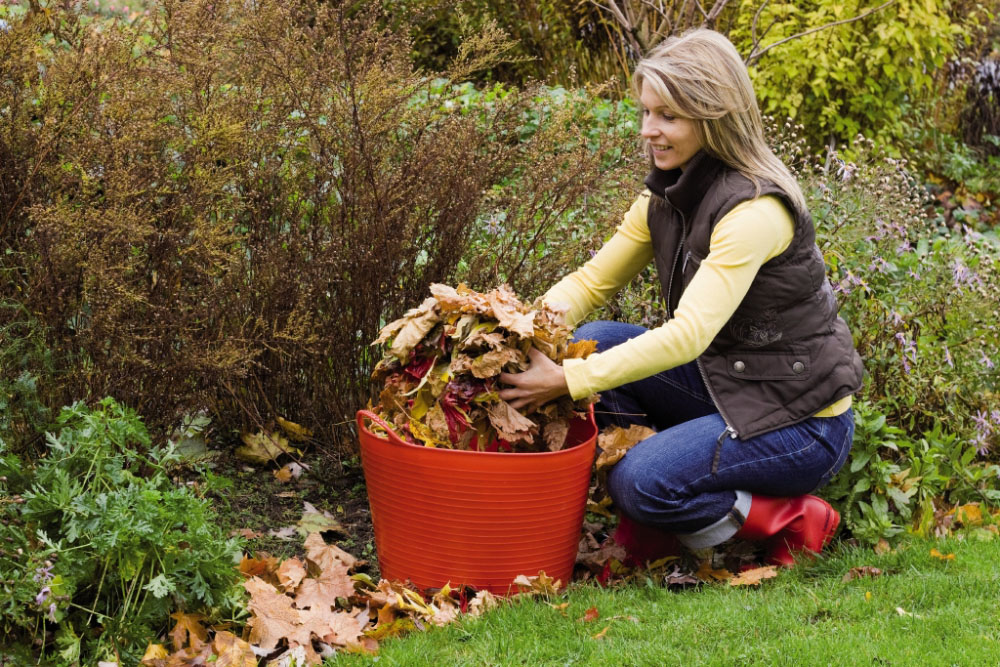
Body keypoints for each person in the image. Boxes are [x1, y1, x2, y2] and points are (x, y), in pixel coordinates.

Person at [498, 29, 863, 567]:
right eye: (645, 112)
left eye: (667, 116)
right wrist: (518, 329)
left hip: (802, 422)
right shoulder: (667, 194)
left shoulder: (755, 211)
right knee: (588, 342)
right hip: (730, 386)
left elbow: (689, 334)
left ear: (712, 115)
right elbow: (591, 282)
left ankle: (785, 516)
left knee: (640, 481)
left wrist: (567, 379)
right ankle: (660, 520)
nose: (649, 131)